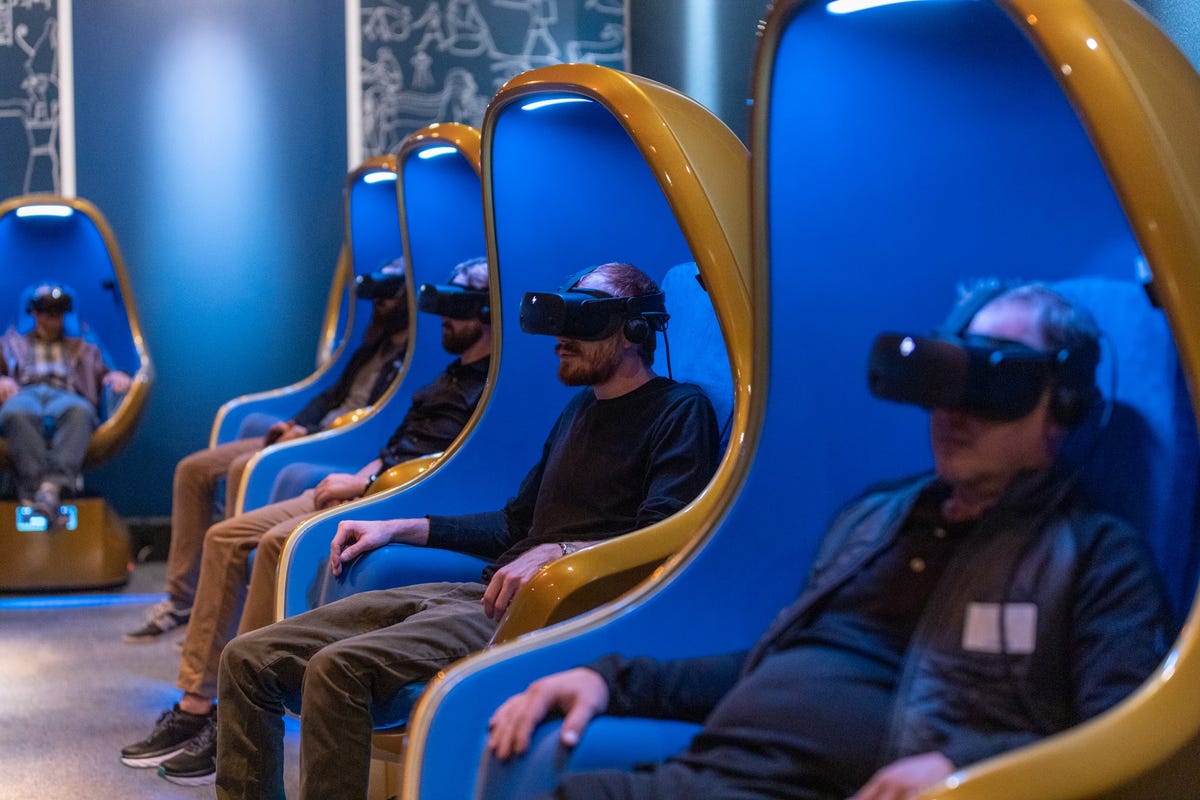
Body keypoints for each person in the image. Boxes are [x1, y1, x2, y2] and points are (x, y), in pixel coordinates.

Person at [484, 282, 1177, 800]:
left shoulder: (1093, 559)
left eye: (996, 383)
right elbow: (771, 664)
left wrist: (966, 768)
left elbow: (1123, 745)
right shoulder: (876, 519)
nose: (954, 409)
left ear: (1064, 410)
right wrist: (607, 678)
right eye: (946, 377)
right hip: (712, 775)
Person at [214, 262, 721, 800]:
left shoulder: (680, 411)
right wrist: (402, 527)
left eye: (582, 322)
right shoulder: (579, 410)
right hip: (479, 592)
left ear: (634, 332)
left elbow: (663, 542)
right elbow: (514, 524)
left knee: (337, 670)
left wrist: (563, 553)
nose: (560, 339)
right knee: (247, 659)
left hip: (546, 611)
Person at [119, 257, 494, 785]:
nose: (442, 320)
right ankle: (195, 702)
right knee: (226, 535)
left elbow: (451, 465)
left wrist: (369, 484)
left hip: (394, 493)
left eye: (456, 309)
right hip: (375, 475)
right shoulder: (442, 368)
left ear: (485, 311)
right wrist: (364, 466)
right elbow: (384, 426)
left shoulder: (489, 385)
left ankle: (228, 718)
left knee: (279, 544)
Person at [124, 260, 410, 644]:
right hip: (314, 430)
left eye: (390, 296)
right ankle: (182, 600)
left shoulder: (412, 359)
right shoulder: (371, 345)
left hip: (340, 440)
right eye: (377, 296)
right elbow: (330, 394)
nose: (380, 304)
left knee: (246, 468)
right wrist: (298, 425)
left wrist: (317, 435)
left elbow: (376, 422)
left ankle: (225, 614)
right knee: (193, 469)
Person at [0, 283, 132, 525]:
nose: (52, 319)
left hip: (66, 394)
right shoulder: (10, 343)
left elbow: (105, 372)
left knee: (81, 412)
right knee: (15, 413)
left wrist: (115, 376)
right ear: (34, 314)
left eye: (57, 313)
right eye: (46, 313)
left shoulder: (83, 348)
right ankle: (37, 490)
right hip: (25, 393)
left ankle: (52, 487)